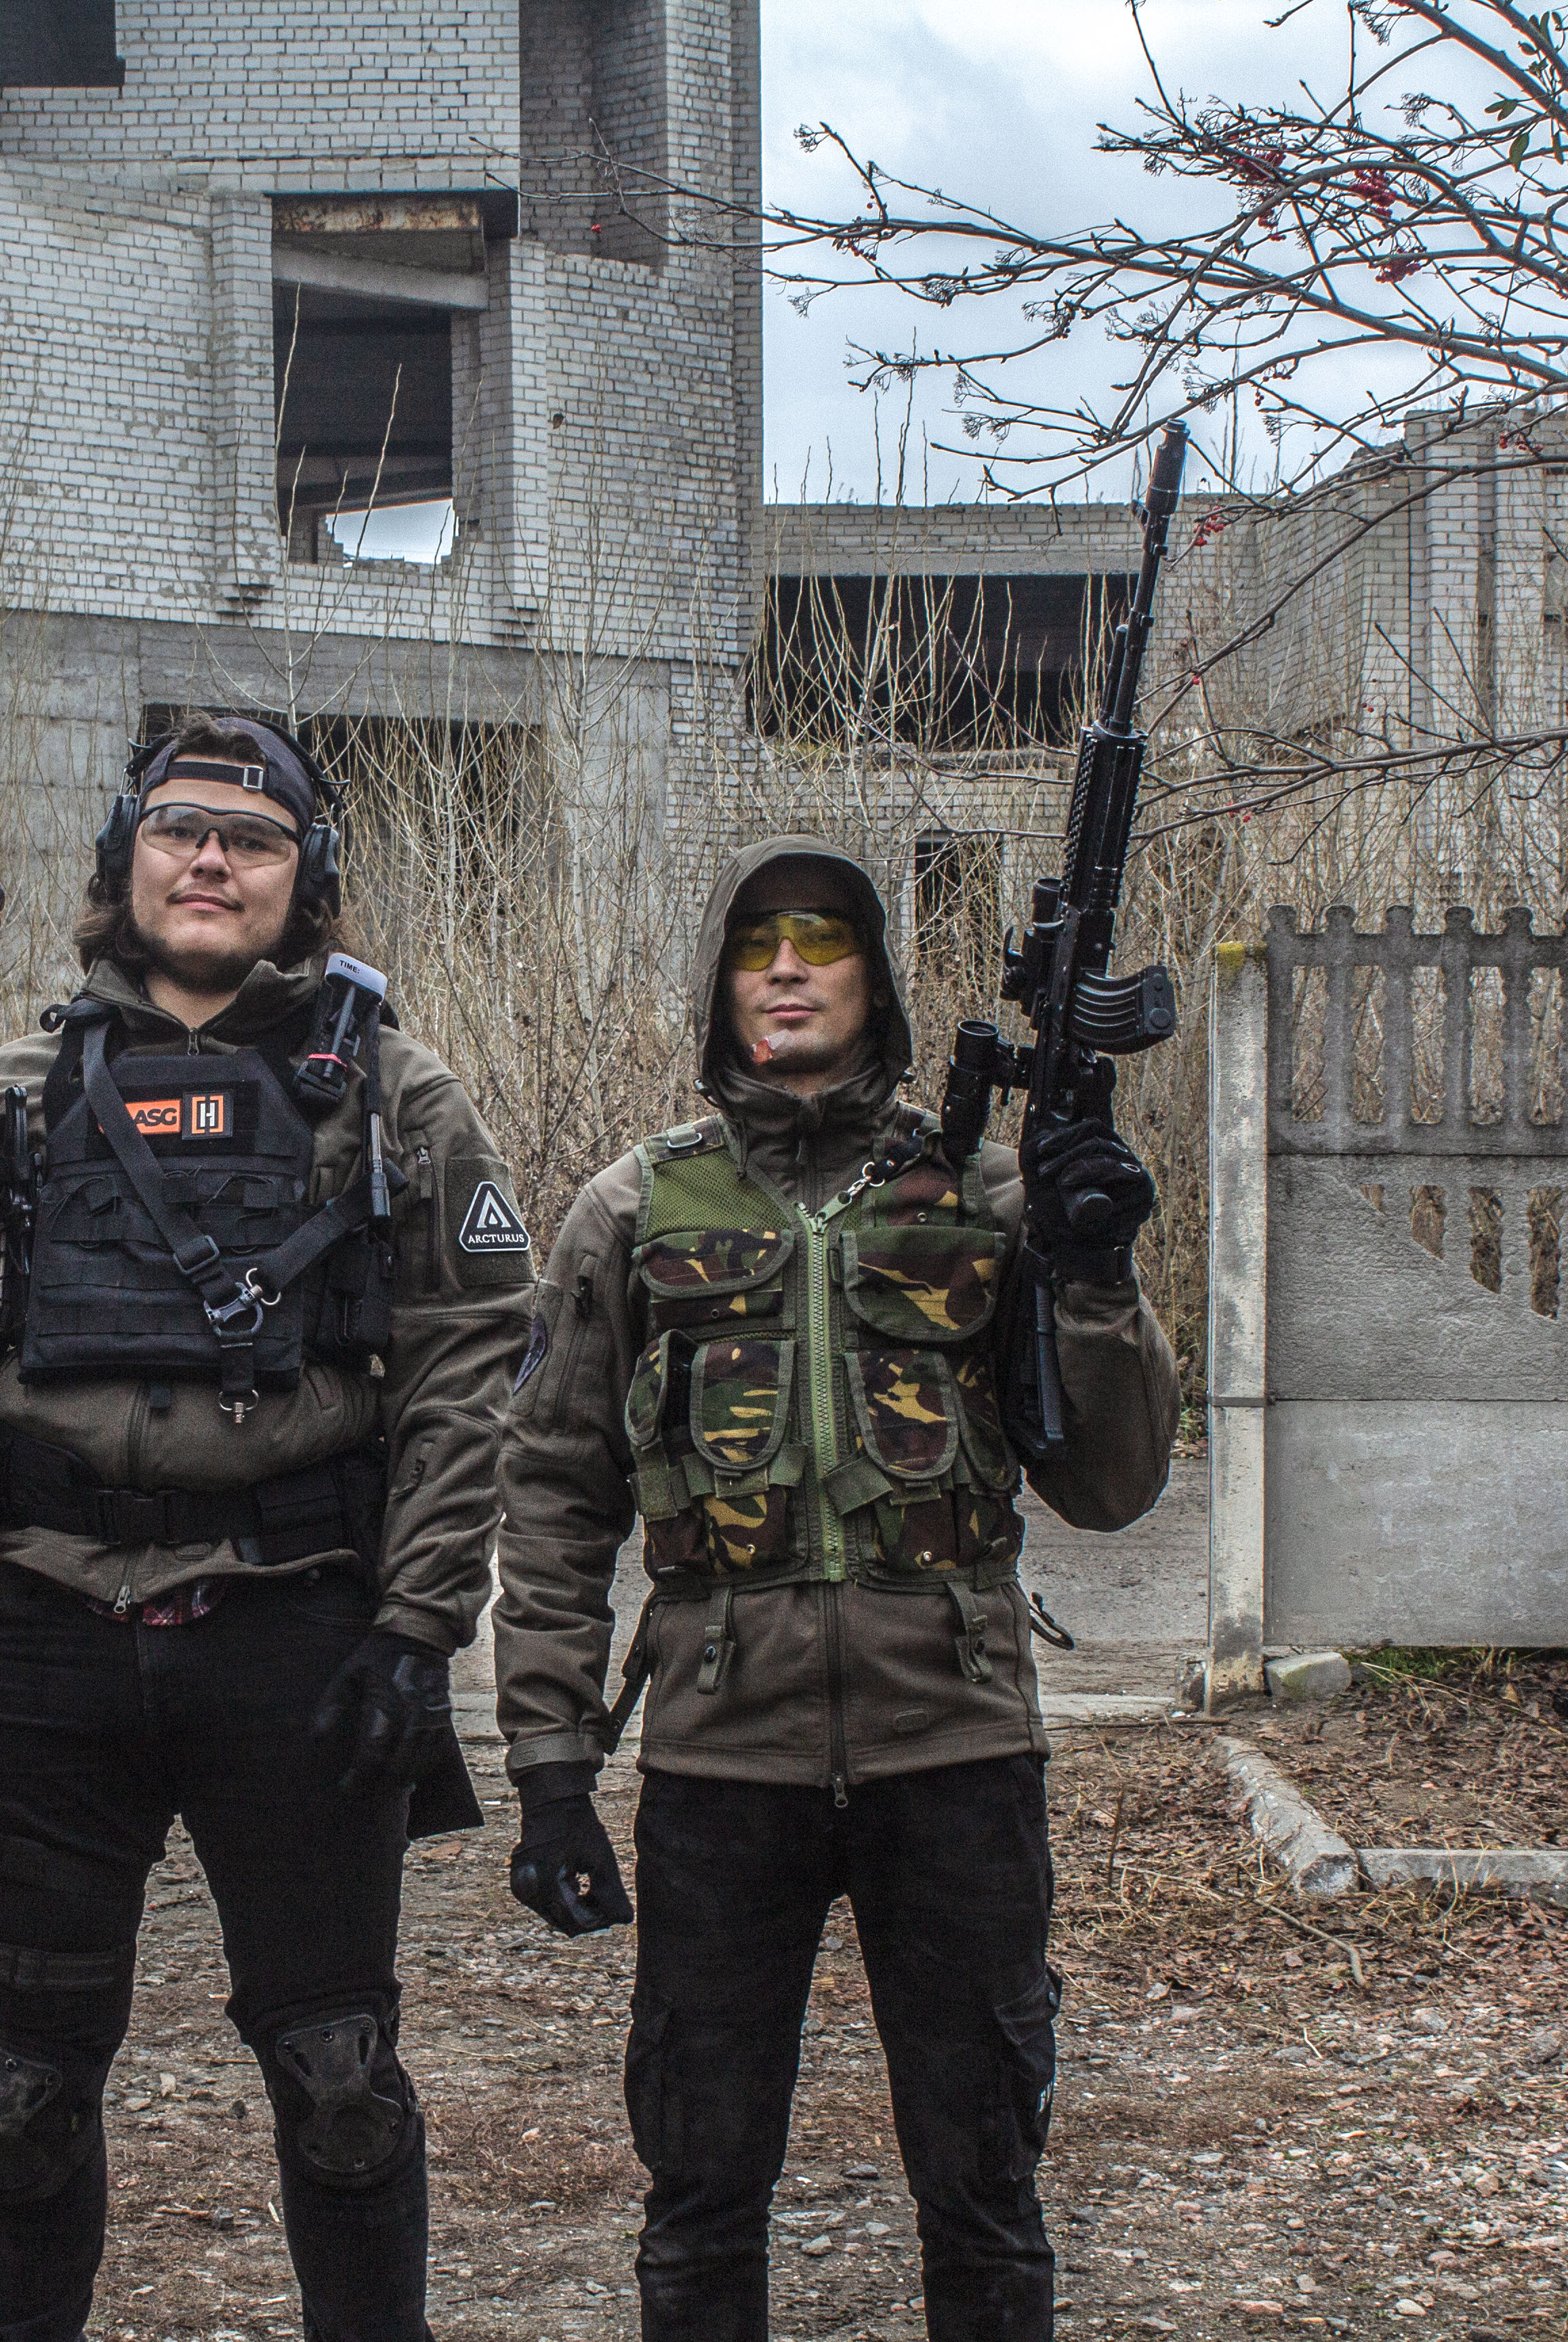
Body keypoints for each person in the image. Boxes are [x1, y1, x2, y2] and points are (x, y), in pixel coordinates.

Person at [0, 715, 531, 2342]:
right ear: (125, 861)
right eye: (179, 831)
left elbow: (469, 1371)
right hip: (43, 1629)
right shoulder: (17, 1091)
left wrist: (420, 1628)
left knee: (340, 2081)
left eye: (253, 838)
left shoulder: (395, 1094)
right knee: (18, 2093)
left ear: (307, 878)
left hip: (296, 1629)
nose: (212, 861)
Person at [492, 834, 1178, 2342]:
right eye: (756, 945)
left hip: (958, 1749)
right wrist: (549, 1764)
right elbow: (552, 1497)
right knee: (700, 2185)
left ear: (878, 977)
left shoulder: (987, 1191)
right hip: (723, 1764)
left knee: (985, 2180)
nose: (789, 968)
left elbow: (1115, 1483)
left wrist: (1095, 1276)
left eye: (822, 939)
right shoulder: (633, 1208)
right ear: (717, 984)